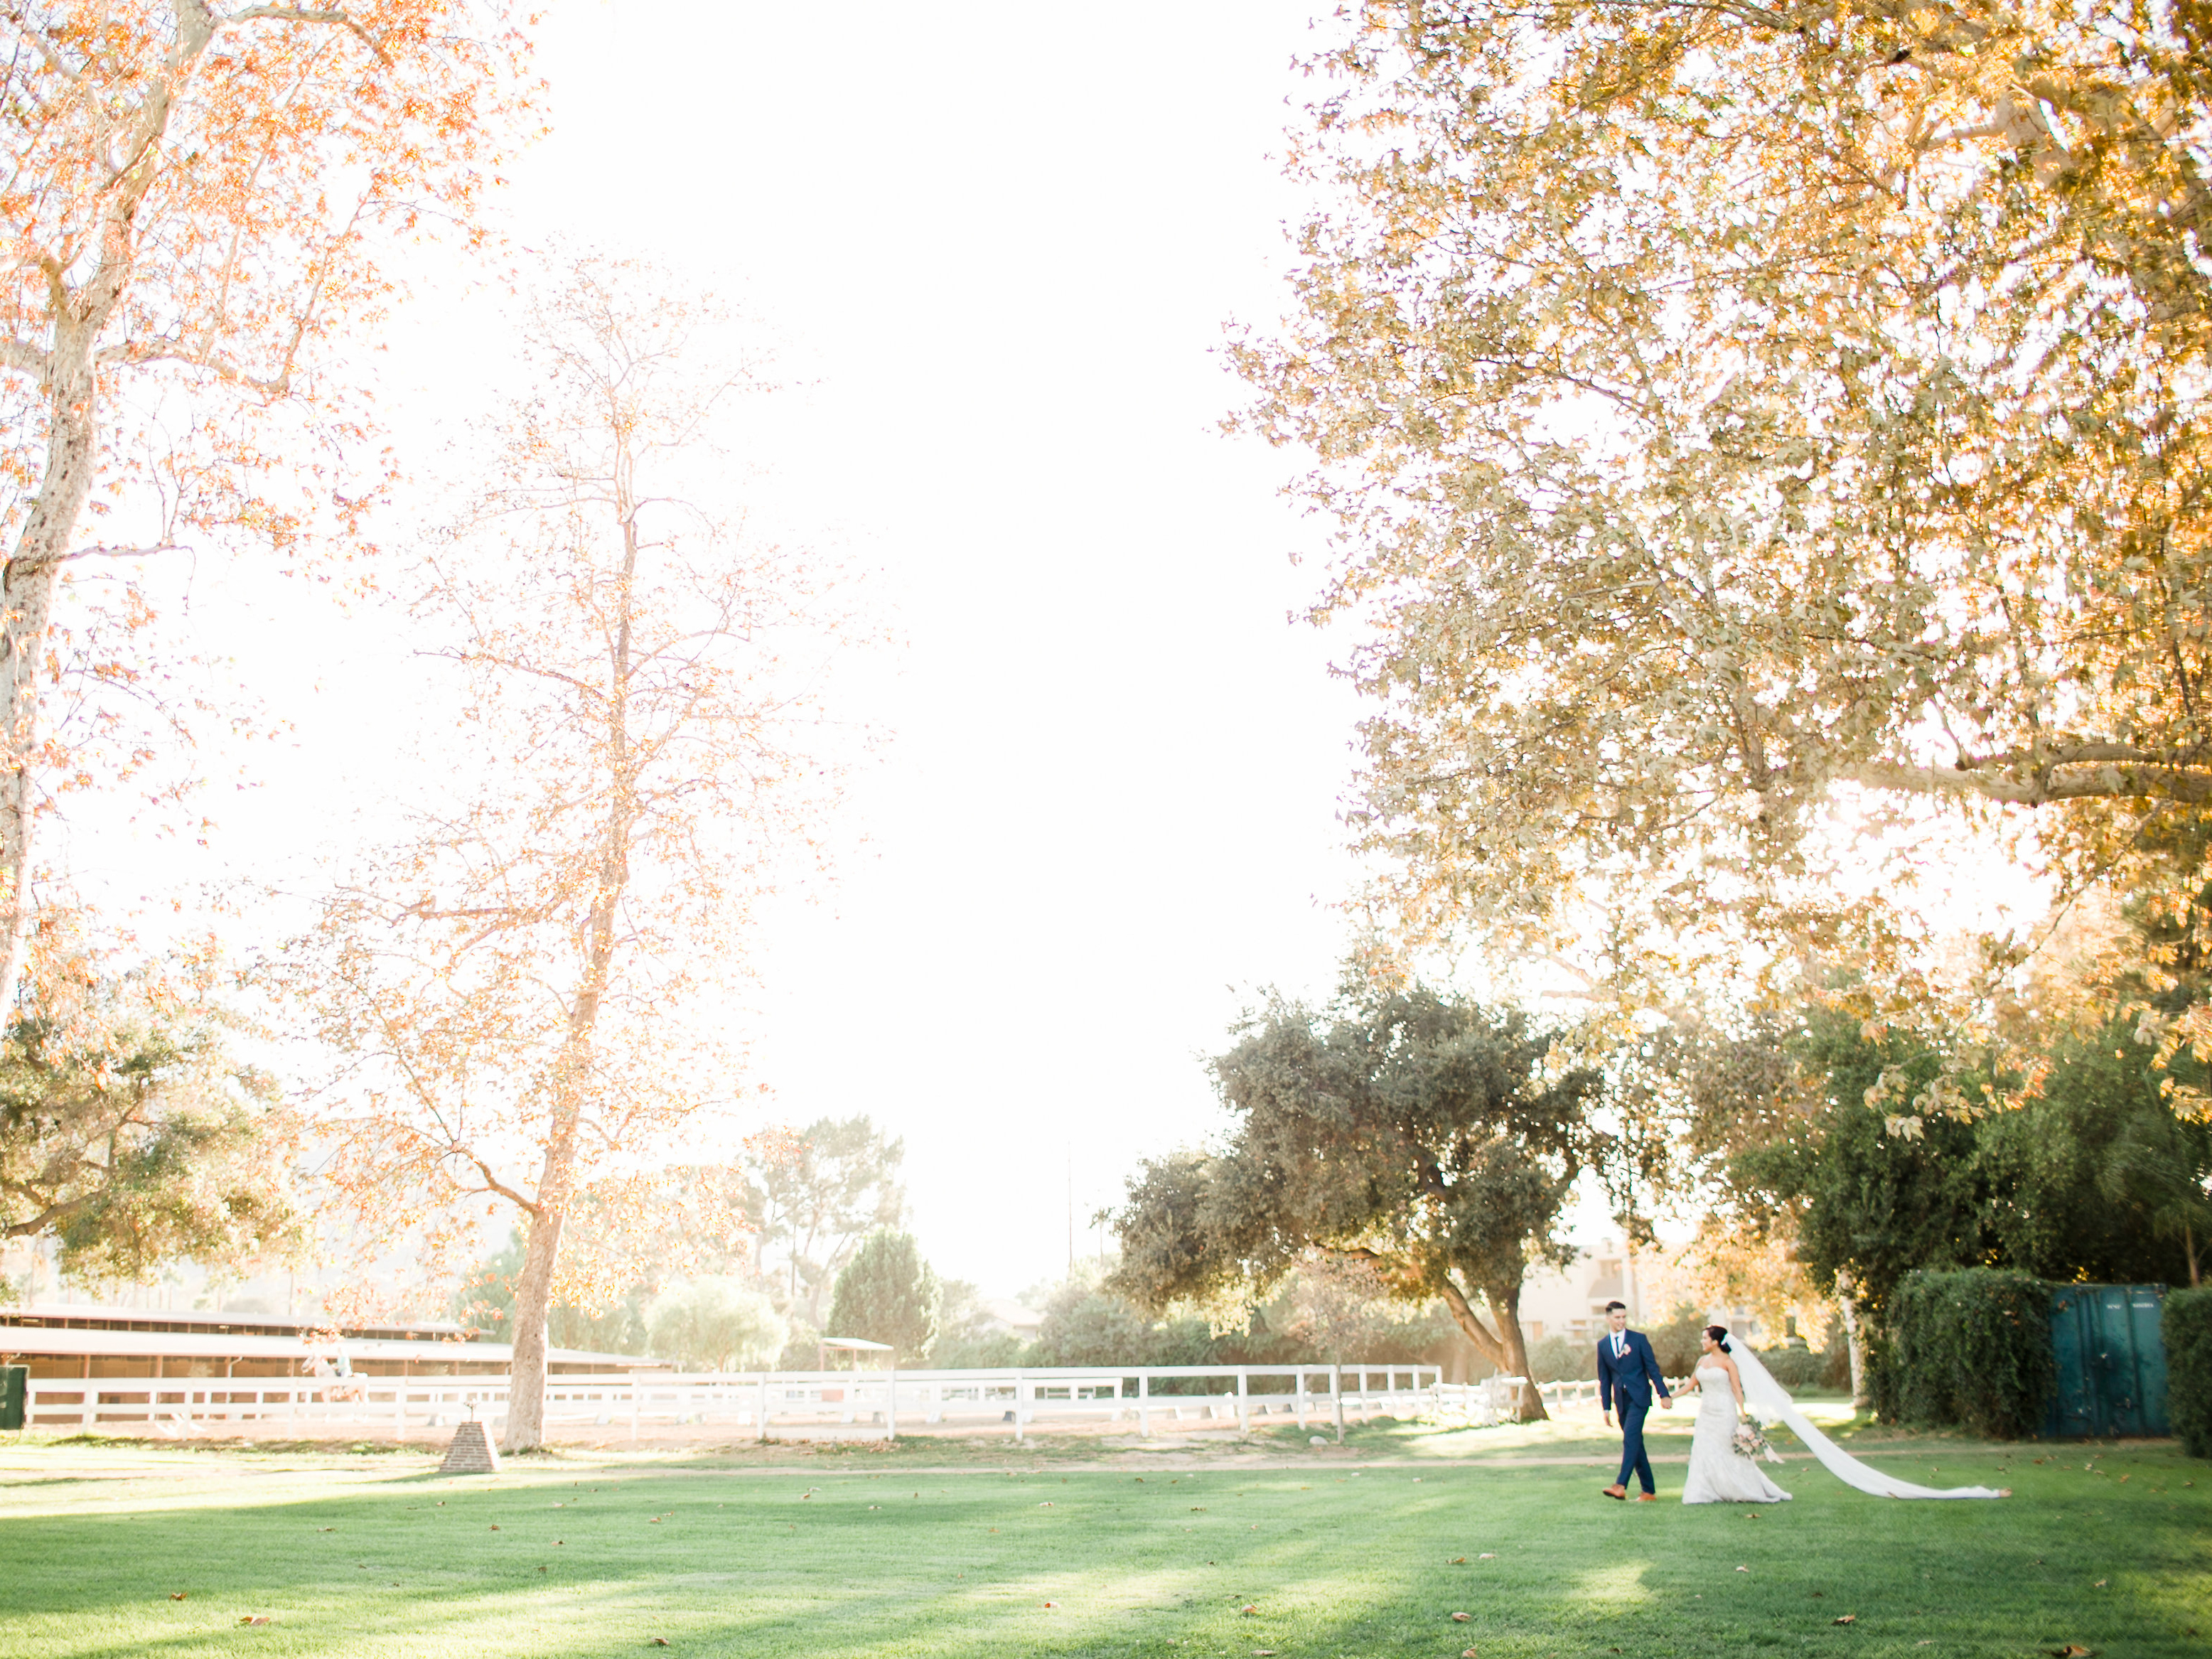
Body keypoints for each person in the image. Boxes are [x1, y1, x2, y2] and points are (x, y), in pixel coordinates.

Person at [1682, 1324, 1793, 1505]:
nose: (1702, 1341)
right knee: (1704, 1450)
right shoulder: (1702, 1361)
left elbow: (1736, 1389)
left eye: (1705, 1338)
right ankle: (1704, 1491)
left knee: (1729, 1451)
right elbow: (1690, 1385)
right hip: (1706, 1413)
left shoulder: (1728, 1362)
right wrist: (1668, 1397)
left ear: (1715, 1342)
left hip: (1725, 1412)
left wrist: (1743, 1415)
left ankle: (1741, 1488)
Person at [1595, 1299, 1673, 1500]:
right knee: (1636, 1443)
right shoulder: (1602, 1345)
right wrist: (1606, 1408)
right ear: (1608, 1318)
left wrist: (1663, 1394)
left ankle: (1620, 1485)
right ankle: (1648, 1491)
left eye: (1624, 1317)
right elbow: (1605, 1379)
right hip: (1621, 1401)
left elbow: (1653, 1369)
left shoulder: (1639, 1340)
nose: (1621, 1321)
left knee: (1630, 1438)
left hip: (1639, 1398)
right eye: (1617, 1317)